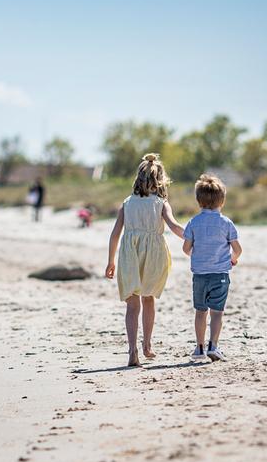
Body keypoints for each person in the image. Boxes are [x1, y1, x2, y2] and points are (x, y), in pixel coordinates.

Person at [104, 154, 186, 366]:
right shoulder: (161, 204)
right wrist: (194, 236)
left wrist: (111, 261)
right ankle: (147, 345)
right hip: (154, 255)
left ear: (138, 179)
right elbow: (174, 226)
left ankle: (132, 351)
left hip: (129, 253)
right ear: (160, 181)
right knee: (148, 299)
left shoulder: (127, 204)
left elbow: (114, 234)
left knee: (132, 305)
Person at [182, 174, 243, 362]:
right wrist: (233, 259)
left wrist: (198, 256)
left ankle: (199, 348)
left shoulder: (193, 222)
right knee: (217, 312)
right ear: (222, 201)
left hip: (199, 275)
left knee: (201, 311)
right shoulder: (226, 223)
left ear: (198, 201)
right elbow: (237, 249)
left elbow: (186, 248)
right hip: (220, 275)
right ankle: (213, 346)